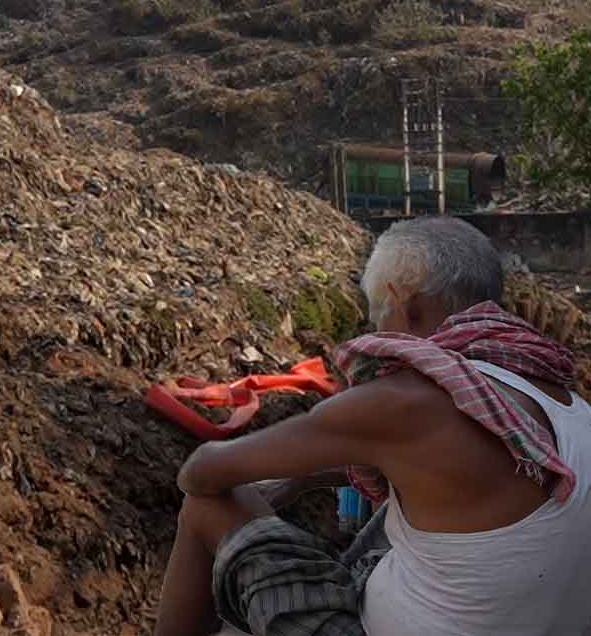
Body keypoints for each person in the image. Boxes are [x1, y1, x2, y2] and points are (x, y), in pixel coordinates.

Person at [154, 216, 591, 636]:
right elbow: (466, 469)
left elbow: (204, 467)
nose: (377, 328)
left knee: (208, 503)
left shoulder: (408, 402)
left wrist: (257, 482)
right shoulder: (563, 403)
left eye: (377, 315)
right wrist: (303, 478)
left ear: (404, 302)